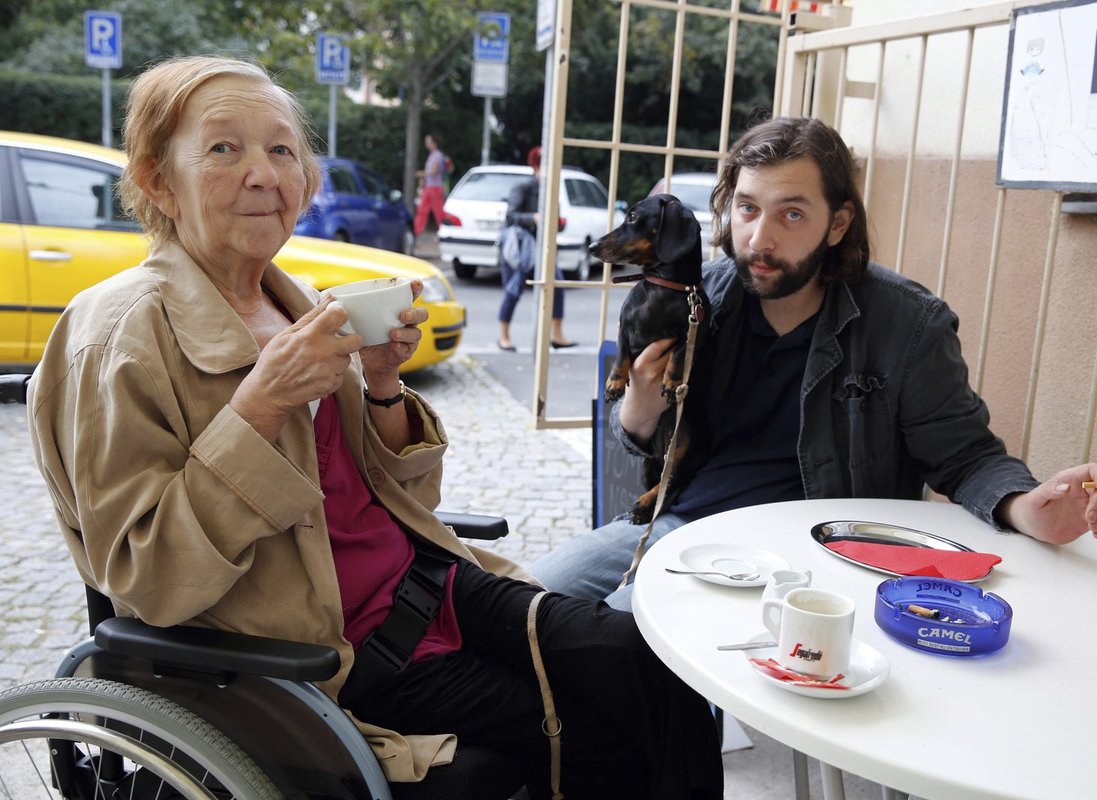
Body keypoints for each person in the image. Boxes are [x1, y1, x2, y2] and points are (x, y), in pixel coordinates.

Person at [27, 55, 722, 799]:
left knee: (657, 667)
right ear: (158, 179)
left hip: (430, 585)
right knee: (608, 737)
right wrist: (257, 409)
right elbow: (149, 579)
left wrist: (383, 385)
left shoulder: (297, 305)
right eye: (224, 148)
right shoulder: (118, 336)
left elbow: (401, 504)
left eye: (282, 149)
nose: (264, 174)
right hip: (323, 659)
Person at [529, 116, 1097, 609]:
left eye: (791, 214)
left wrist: (1024, 508)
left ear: (837, 223)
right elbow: (633, 439)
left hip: (812, 555)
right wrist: (639, 409)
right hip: (684, 526)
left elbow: (966, 458)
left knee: (609, 634)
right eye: (747, 209)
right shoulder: (699, 300)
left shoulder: (906, 323)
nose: (760, 239)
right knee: (523, 597)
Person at [497, 146, 576, 352]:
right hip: (521, 250)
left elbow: (557, 224)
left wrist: (555, 222)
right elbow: (510, 216)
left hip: (543, 249)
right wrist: (533, 218)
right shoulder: (523, 187)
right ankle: (503, 335)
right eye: (543, 165)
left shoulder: (552, 191)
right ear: (535, 166)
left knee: (556, 283)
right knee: (513, 290)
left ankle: (557, 334)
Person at [413, 133, 449, 237]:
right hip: (428, 186)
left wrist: (422, 173)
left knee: (439, 212)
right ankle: (416, 232)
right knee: (422, 209)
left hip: (436, 187)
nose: (426, 144)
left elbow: (434, 171)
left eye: (428, 142)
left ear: (434, 143)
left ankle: (444, 232)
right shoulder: (431, 155)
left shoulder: (438, 155)